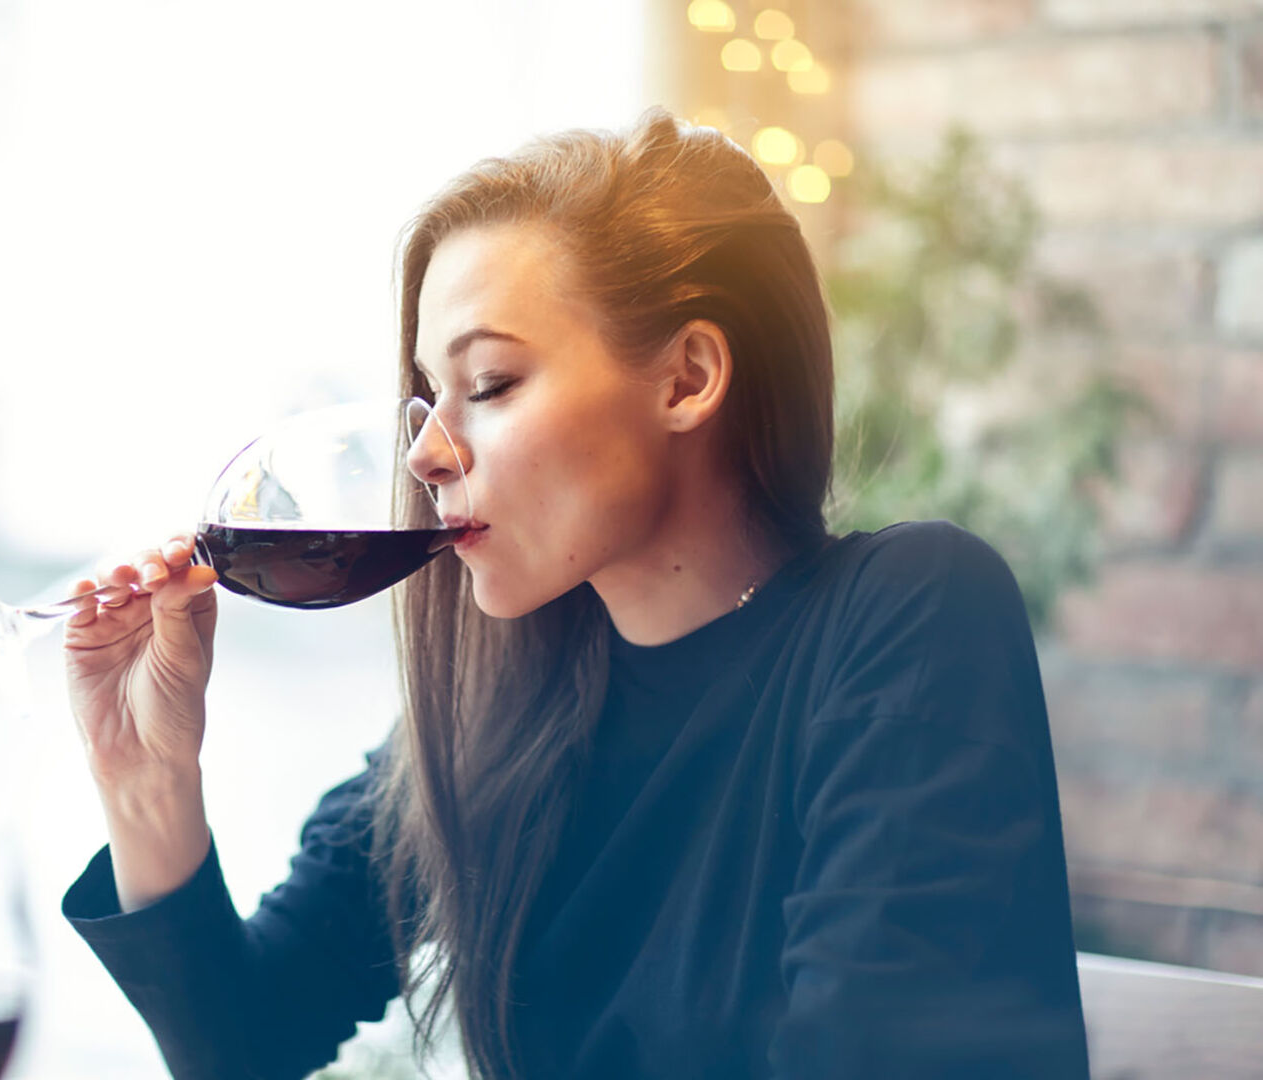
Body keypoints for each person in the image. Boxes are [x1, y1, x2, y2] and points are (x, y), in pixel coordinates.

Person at [57, 109, 1091, 1080]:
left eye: (490, 384)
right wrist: (144, 777)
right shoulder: (498, 702)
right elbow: (246, 1038)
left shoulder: (907, 614)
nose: (423, 451)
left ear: (685, 378)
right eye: (425, 395)